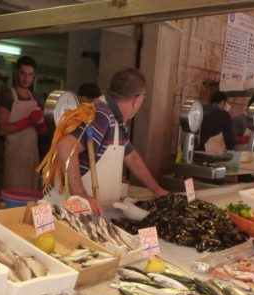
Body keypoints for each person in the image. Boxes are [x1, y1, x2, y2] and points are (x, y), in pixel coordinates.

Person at [56, 68, 169, 215]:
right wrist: (81, 195)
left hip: (100, 211)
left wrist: (156, 189)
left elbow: (132, 157)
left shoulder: (117, 119)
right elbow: (65, 147)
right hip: (79, 212)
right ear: (137, 99)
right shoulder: (102, 114)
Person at [0, 56, 47, 190]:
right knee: (13, 194)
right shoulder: (7, 95)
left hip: (31, 156)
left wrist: (41, 125)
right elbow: (1, 129)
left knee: (30, 196)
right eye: (23, 73)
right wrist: (28, 121)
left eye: (30, 75)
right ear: (16, 72)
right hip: (14, 157)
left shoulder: (35, 97)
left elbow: (42, 131)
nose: (26, 79)